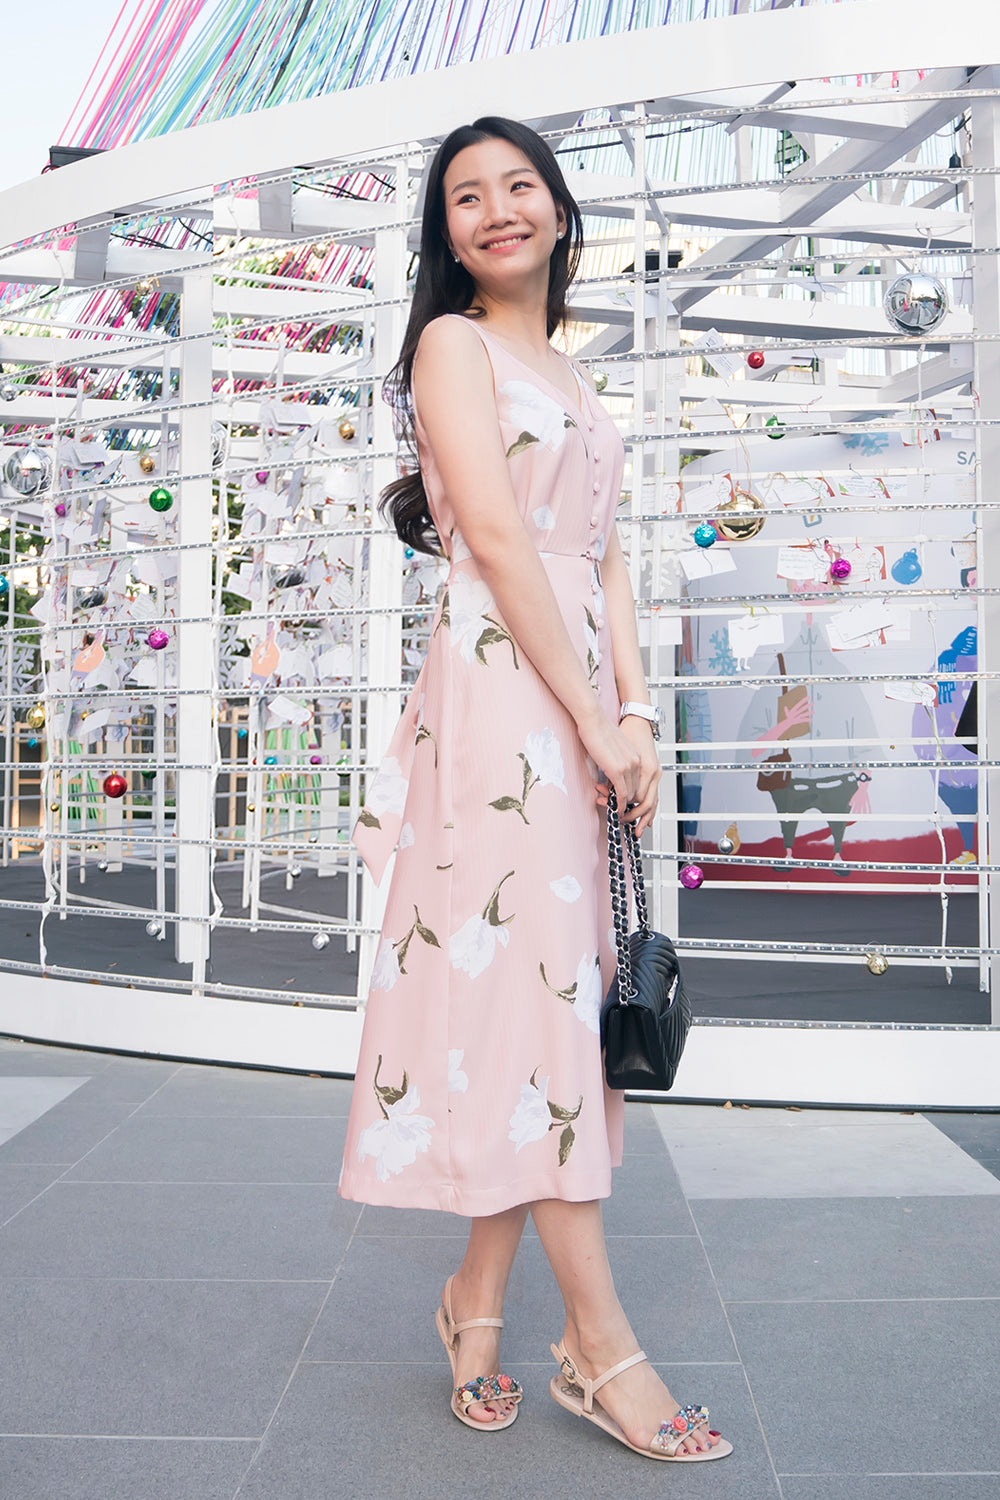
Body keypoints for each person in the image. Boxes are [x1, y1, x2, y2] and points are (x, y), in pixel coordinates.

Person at [338, 115, 731, 1464]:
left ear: (559, 211)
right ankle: (601, 1346)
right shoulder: (451, 346)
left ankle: (476, 1302)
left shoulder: (566, 365)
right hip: (503, 696)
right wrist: (585, 710)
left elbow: (605, 559)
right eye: (465, 197)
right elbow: (501, 541)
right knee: (543, 1000)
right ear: (445, 235)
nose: (495, 211)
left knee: (540, 994)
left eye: (518, 188)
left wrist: (630, 712)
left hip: (570, 706)